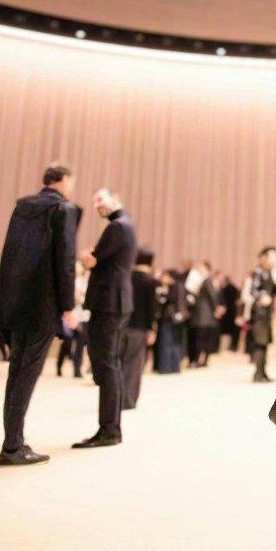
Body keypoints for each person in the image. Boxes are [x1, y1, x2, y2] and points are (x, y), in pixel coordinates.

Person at [0, 163, 79, 466]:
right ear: (64, 180)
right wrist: (68, 306)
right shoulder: (64, 209)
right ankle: (12, 447)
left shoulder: (23, 206)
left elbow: (9, 255)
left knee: (16, 374)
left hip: (16, 303)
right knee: (26, 376)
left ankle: (13, 441)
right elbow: (65, 262)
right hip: (43, 305)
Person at [74, 188, 137, 449]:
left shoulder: (117, 227)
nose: (97, 205)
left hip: (109, 304)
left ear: (115, 199)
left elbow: (90, 261)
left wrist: (84, 256)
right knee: (110, 364)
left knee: (107, 365)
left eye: (101, 199)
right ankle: (110, 429)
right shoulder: (124, 224)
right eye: (94, 201)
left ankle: (109, 430)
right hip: (115, 303)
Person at [120, 247, 158, 409]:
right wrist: (152, 328)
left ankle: (115, 399)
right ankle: (128, 400)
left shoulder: (125, 276)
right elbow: (151, 307)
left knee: (118, 362)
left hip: (121, 324)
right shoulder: (150, 281)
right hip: (139, 327)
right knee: (134, 364)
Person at [243, 248, 276, 382]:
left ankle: (263, 372)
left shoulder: (269, 272)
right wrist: (262, 297)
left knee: (264, 344)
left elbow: (274, 290)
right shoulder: (258, 272)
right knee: (259, 343)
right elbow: (253, 290)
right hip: (259, 313)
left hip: (266, 314)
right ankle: (258, 374)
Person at [57, 260, 90, 378]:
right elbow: (76, 298)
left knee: (81, 344)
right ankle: (59, 366)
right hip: (72, 316)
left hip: (83, 316)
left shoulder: (85, 282)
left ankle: (77, 369)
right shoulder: (72, 282)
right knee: (67, 342)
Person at [188, 266, 224, 368]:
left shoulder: (206, 281)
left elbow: (212, 296)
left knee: (201, 340)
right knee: (203, 340)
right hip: (205, 317)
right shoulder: (204, 282)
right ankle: (201, 360)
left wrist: (216, 309)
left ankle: (198, 360)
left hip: (204, 317)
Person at [154, 269, 185, 374]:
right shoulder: (181, 285)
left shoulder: (173, 287)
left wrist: (162, 293)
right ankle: (174, 366)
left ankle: (165, 367)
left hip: (169, 318)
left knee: (166, 342)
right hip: (177, 318)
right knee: (175, 342)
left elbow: (169, 299)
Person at [218, 273, 241, 352]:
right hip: (233, 312)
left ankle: (224, 347)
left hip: (226, 312)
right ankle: (232, 346)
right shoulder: (235, 288)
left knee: (225, 331)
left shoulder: (225, 289)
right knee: (232, 331)